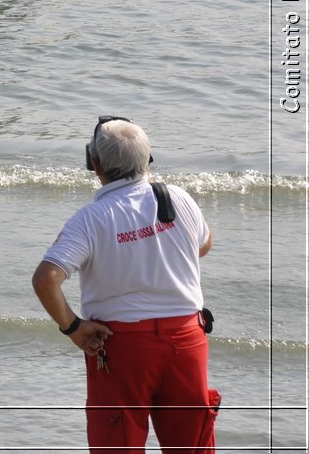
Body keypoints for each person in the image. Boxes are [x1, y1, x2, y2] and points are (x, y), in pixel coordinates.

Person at [32, 117, 219, 453]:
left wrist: (73, 327)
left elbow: (46, 280)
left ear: (94, 163)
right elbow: (203, 245)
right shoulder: (179, 198)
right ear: (147, 160)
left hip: (122, 347)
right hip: (186, 341)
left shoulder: (90, 219)